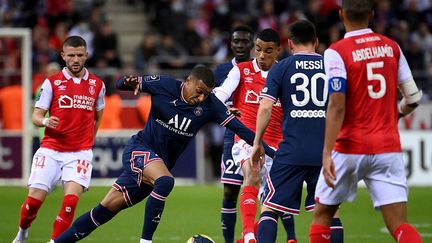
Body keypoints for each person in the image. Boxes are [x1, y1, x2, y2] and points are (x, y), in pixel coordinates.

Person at [53, 66, 276, 243]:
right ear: (188, 82)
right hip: (139, 150)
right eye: (198, 92)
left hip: (157, 163)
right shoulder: (164, 85)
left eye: (206, 94)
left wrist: (274, 152)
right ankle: (146, 241)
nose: (201, 98)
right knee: (166, 180)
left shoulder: (211, 105)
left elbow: (242, 130)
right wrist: (126, 82)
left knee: (104, 210)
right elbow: (121, 84)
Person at [308, 1, 423, 243]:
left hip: (349, 147)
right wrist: (396, 113)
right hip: (387, 147)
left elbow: (337, 104)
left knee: (322, 217)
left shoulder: (336, 52)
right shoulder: (392, 47)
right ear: (371, 15)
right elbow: (413, 97)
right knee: (400, 225)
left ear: (341, 15)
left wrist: (327, 152)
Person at [250, 20, 343, 243]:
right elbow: (342, 106)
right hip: (325, 153)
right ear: (317, 42)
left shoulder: (281, 68)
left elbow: (265, 107)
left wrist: (257, 143)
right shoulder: (331, 67)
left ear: (290, 43)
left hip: (291, 151)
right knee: (330, 213)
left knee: (270, 208)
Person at [12, 36, 105, 243]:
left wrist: (89, 141)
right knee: (34, 201)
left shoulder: (97, 85)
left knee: (70, 201)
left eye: (79, 55)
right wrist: (45, 122)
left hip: (80, 152)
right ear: (63, 56)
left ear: (86, 56)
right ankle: (22, 233)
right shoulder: (51, 83)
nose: (75, 59)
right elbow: (35, 116)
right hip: (51, 149)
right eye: (71, 55)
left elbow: (98, 117)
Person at [214, 28, 282, 243]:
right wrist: (224, 106)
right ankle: (250, 236)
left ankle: (246, 238)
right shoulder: (241, 70)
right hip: (246, 139)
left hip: (277, 143)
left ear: (278, 51)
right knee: (251, 173)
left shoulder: (285, 73)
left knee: (270, 200)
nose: (262, 56)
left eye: (268, 51)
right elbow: (221, 93)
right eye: (259, 50)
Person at [213, 25, 254, 243]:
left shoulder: (261, 69)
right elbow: (209, 101)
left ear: (252, 44)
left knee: (266, 190)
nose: (240, 45)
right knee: (230, 191)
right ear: (231, 43)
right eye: (236, 41)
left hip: (258, 136)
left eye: (244, 41)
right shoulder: (220, 71)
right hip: (232, 138)